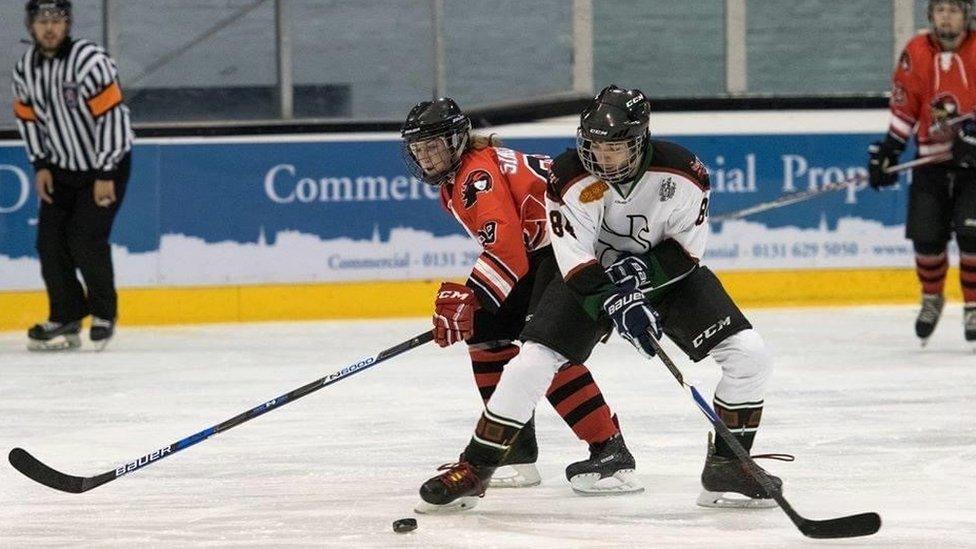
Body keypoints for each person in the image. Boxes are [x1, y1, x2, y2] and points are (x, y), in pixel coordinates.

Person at [416, 86, 788, 512]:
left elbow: (686, 252)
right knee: (532, 360)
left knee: (750, 354)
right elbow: (573, 258)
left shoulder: (685, 174)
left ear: (641, 140)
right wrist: (615, 299)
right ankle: (477, 468)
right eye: (593, 145)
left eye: (614, 147)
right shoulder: (569, 176)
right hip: (588, 275)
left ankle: (728, 467)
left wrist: (641, 278)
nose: (602, 158)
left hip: (668, 278)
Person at [400, 97, 643, 505]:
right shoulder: (468, 169)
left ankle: (610, 450)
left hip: (572, 250)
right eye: (418, 149)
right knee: (485, 332)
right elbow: (515, 250)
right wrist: (475, 303)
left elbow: (509, 252)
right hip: (547, 250)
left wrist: (471, 294)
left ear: (458, 140)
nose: (425, 157)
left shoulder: (476, 176)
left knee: (545, 347)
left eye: (433, 146)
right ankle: (514, 451)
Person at [12, 0, 134, 351]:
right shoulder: (25, 70)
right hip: (61, 169)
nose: (49, 27)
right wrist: (41, 165)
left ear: (68, 24)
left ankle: (103, 314)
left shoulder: (90, 61)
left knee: (85, 238)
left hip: (105, 165)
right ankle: (66, 314)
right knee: (49, 243)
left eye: (57, 20)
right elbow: (28, 120)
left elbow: (112, 118)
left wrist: (106, 170)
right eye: (41, 20)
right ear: (30, 25)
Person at [868, 0, 976, 347]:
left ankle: (973, 306)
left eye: (954, 9)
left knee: (972, 234)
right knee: (927, 238)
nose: (947, 16)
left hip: (974, 166)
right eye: (940, 9)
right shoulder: (916, 51)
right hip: (930, 162)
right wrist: (890, 149)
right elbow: (906, 106)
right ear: (931, 15)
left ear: (967, 15)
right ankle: (932, 298)